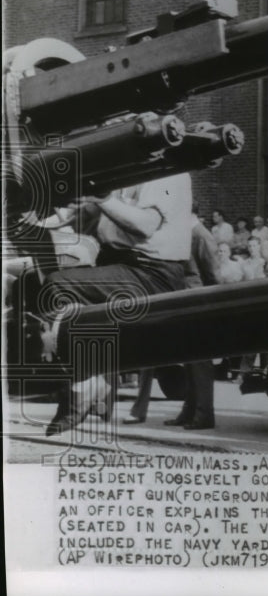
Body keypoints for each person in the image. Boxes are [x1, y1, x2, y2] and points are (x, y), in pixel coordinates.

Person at [42, 174, 192, 436]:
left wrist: (104, 199)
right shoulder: (136, 170)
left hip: (151, 272)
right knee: (47, 285)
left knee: (58, 285)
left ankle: (85, 382)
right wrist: (38, 221)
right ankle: (87, 379)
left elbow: (146, 224)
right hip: (124, 264)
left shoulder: (169, 172)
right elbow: (89, 217)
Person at [125, 200, 220, 426]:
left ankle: (204, 413)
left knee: (200, 362)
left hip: (197, 302)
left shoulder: (200, 235)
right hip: (181, 301)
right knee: (189, 360)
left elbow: (213, 275)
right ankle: (189, 411)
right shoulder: (184, 234)